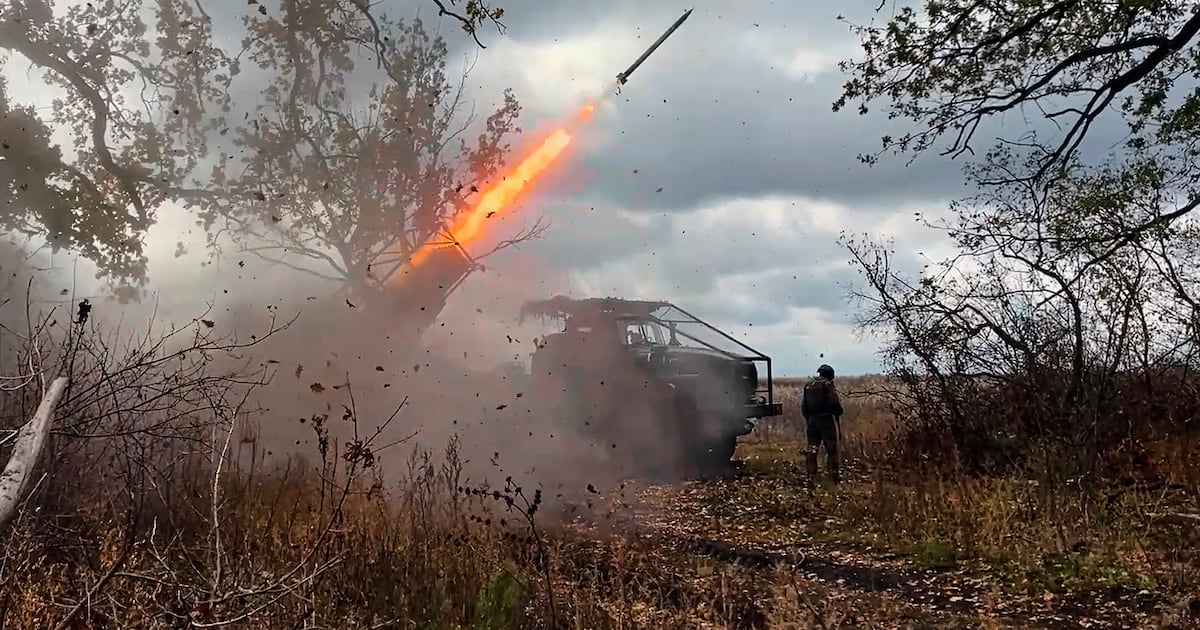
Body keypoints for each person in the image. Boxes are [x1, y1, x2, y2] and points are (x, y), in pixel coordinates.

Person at [801, 363, 844, 484]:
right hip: (825, 421)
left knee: (812, 449)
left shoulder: (808, 384)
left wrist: (809, 420)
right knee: (832, 449)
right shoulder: (827, 384)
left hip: (812, 421)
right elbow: (834, 402)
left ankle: (811, 476)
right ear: (830, 374)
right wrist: (838, 411)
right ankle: (834, 477)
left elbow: (804, 407)